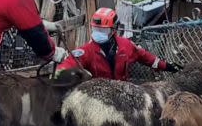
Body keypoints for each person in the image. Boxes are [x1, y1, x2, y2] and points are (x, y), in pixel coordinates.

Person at [54, 7, 182, 80]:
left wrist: (167, 66)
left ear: (114, 29)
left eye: (103, 29)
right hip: (99, 97)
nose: (98, 32)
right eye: (96, 29)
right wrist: (58, 75)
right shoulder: (86, 51)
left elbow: (146, 57)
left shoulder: (126, 46)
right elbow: (69, 63)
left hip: (122, 95)